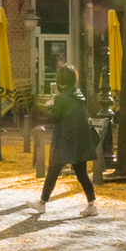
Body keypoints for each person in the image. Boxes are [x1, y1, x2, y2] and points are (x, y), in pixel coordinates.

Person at [31, 65, 99, 217]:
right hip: (80, 141)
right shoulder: (78, 95)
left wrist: (49, 106)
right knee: (82, 173)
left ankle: (42, 203)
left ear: (60, 81)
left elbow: (53, 117)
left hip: (65, 141)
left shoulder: (61, 98)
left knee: (53, 171)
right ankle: (92, 204)